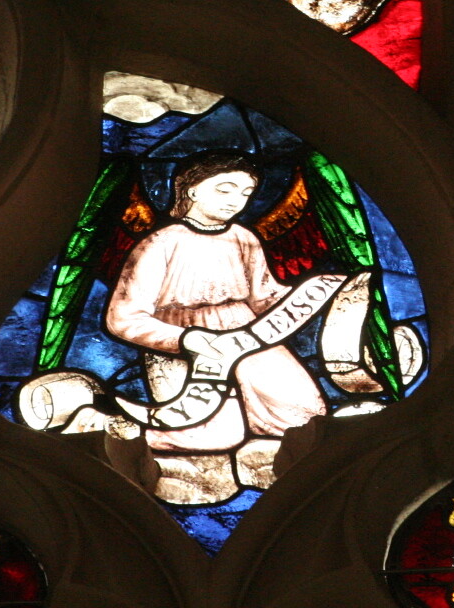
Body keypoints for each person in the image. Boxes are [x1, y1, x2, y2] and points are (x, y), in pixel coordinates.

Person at [104, 151, 328, 504]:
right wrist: (186, 339)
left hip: (247, 336)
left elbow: (264, 296)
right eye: (224, 189)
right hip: (182, 343)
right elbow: (123, 317)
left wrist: (315, 296)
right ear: (192, 190)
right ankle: (103, 421)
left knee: (302, 415)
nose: (236, 201)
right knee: (210, 435)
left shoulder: (243, 237)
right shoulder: (161, 242)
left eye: (246, 193)